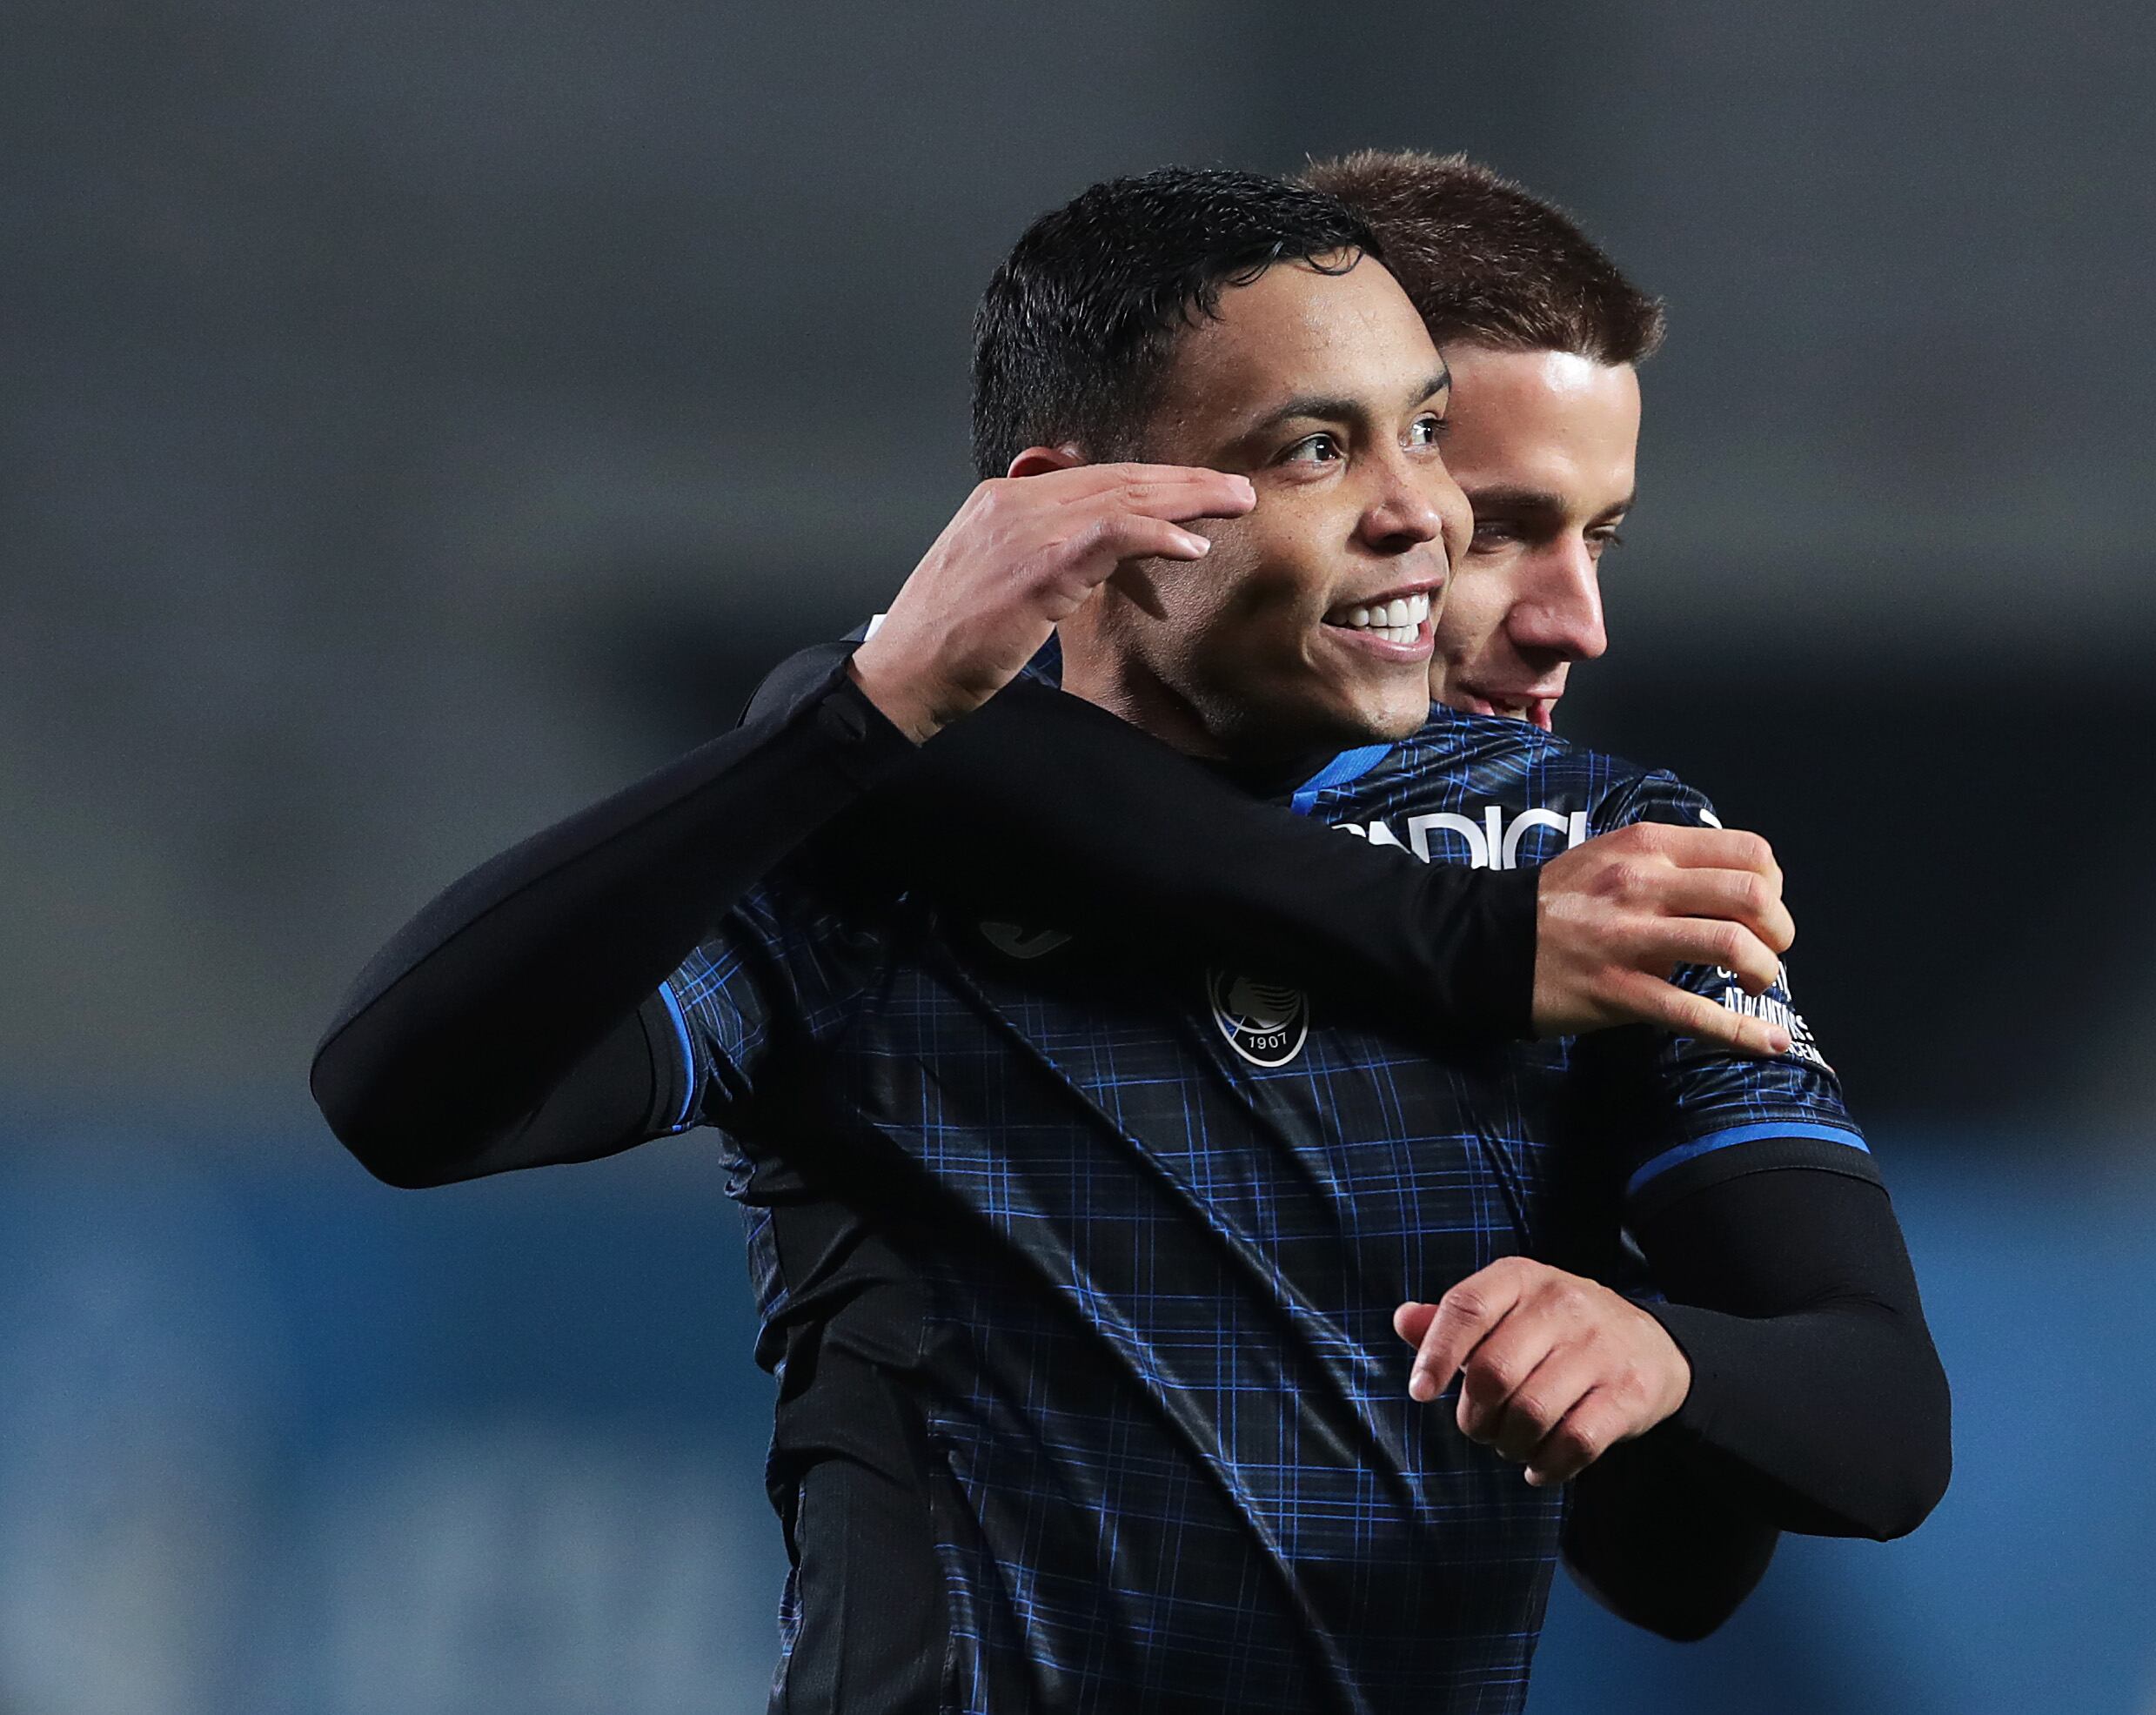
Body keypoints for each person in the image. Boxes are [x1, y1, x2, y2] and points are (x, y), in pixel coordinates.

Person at [316, 169, 1947, 1712]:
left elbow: (1857, 1439)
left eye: (1428, 439)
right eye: (1322, 447)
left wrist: (1652, 1348)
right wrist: (851, 722)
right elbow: (405, 1090)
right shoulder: (868, 858)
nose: (1425, 520)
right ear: (1079, 506)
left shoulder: (1586, 853)